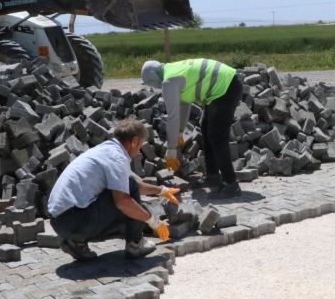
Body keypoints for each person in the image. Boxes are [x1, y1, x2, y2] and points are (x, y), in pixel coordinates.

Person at [48, 118, 178, 260]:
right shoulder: (117, 157)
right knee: (129, 209)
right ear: (134, 141)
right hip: (73, 220)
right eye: (140, 145)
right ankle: (135, 244)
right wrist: (153, 221)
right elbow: (123, 200)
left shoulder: (107, 150)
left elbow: (132, 185)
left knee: (130, 202)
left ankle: (75, 242)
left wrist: (161, 190)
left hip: (59, 221)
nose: (139, 150)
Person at [141, 58, 244, 198]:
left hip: (226, 86)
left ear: (153, 78)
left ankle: (231, 185)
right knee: (207, 129)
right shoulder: (172, 70)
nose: (153, 86)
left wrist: (171, 148)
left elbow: (172, 116)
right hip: (225, 85)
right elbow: (184, 104)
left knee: (217, 136)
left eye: (149, 83)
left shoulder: (168, 81)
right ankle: (213, 176)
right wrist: (180, 132)